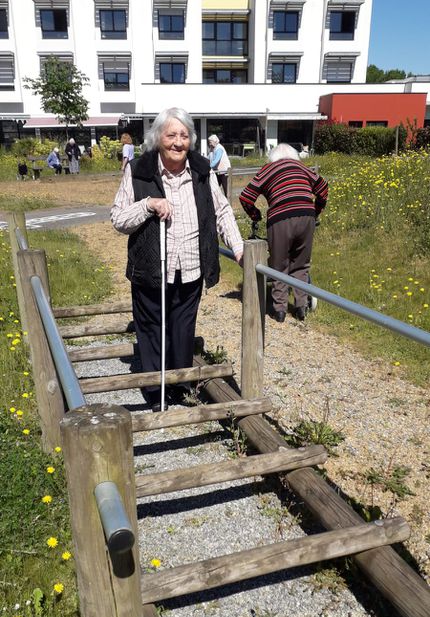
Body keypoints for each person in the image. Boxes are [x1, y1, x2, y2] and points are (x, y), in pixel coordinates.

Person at [111, 106, 243, 412]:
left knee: (183, 328)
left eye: (184, 136)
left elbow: (221, 210)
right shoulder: (138, 170)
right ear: (158, 138)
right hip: (150, 268)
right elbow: (118, 219)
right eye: (171, 135)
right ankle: (155, 388)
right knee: (152, 327)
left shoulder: (201, 170)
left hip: (191, 266)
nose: (178, 142)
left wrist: (237, 247)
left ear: (191, 140)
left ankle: (180, 383)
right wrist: (148, 204)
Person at [239, 143, 328, 322]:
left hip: (280, 218)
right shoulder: (302, 167)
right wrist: (316, 212)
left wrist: (256, 215)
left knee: (279, 265)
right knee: (301, 264)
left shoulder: (268, 169)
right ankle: (301, 307)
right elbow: (323, 189)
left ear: (273, 157)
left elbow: (246, 196)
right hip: (306, 215)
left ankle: (279, 311)